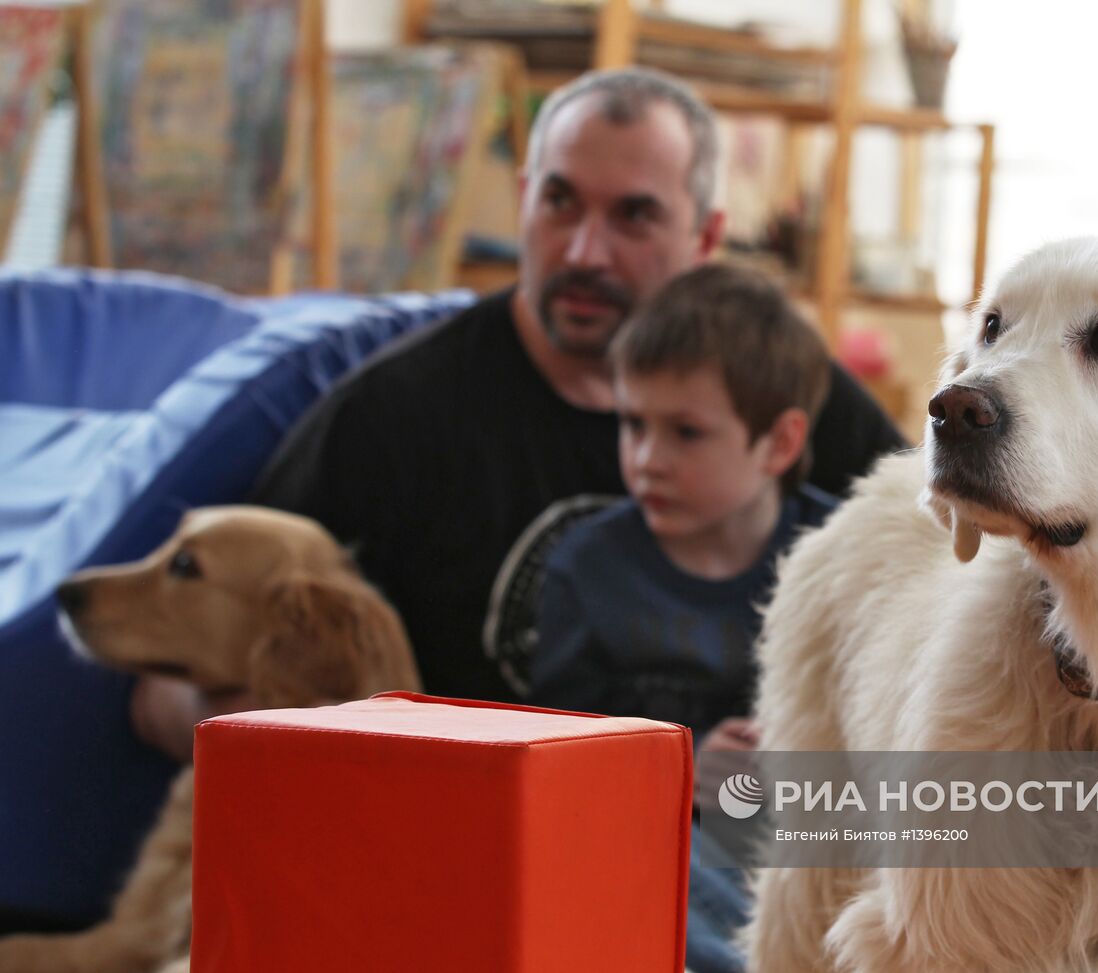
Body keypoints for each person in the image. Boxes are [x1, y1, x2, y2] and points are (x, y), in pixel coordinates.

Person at [131, 66, 904, 756]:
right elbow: (162, 698)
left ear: (705, 237)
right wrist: (287, 731)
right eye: (559, 202)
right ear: (525, 199)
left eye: (634, 216)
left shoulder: (785, 391)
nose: (584, 252)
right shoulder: (395, 414)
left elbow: (943, 590)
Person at [529, 262, 834, 742]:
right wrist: (685, 761)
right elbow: (556, 745)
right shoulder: (587, 568)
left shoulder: (842, 561)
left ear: (780, 443)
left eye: (686, 432)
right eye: (633, 424)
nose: (647, 460)